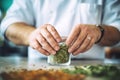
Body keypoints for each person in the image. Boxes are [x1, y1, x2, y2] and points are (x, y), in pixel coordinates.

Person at [0, 0, 120, 59]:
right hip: (40, 66)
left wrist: (99, 32)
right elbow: (8, 25)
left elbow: (118, 28)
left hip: (93, 68)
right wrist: (31, 35)